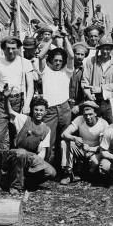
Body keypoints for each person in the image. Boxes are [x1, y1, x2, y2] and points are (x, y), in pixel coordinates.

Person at [0, 36, 34, 186]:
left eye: (14, 48)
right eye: (8, 48)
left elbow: (30, 86)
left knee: (17, 139)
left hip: (19, 101)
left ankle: (14, 175)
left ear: (18, 48)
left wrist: (27, 104)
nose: (11, 51)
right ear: (3, 48)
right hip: (2, 101)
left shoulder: (24, 63)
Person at [1, 94, 56, 194]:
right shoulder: (23, 119)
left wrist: (37, 164)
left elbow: (42, 151)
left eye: (41, 110)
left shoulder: (46, 129)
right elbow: (9, 111)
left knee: (51, 172)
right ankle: (15, 186)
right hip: (16, 154)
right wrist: (6, 98)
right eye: (36, 110)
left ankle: (27, 182)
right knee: (21, 153)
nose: (38, 113)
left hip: (31, 156)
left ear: (45, 112)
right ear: (32, 110)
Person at [40, 33, 75, 169]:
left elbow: (71, 56)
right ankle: (46, 168)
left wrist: (66, 37)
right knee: (48, 139)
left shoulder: (66, 72)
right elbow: (41, 56)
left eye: (60, 61)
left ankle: (63, 168)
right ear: (51, 60)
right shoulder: (45, 71)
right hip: (50, 110)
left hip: (64, 108)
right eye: (55, 60)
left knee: (64, 139)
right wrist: (51, 39)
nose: (58, 63)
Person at [60, 101, 109, 184]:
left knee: (95, 163)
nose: (88, 117)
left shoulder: (103, 124)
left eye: (90, 114)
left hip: (97, 151)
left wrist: (92, 149)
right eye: (85, 115)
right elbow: (64, 134)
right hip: (82, 149)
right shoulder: (79, 119)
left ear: (96, 113)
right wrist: (74, 138)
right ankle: (68, 174)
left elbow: (106, 146)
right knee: (64, 143)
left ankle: (90, 173)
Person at [83, 36, 113, 123]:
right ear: (100, 49)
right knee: (94, 125)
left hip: (110, 100)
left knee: (111, 125)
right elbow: (84, 81)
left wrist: (101, 88)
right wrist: (88, 94)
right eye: (103, 49)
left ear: (112, 49)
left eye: (108, 49)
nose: (105, 51)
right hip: (94, 100)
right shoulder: (91, 62)